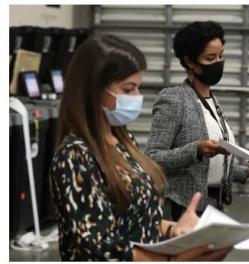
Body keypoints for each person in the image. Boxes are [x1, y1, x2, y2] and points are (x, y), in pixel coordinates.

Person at [49, 34, 232, 261]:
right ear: (94, 90)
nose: (137, 97)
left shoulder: (123, 142)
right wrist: (173, 259)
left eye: (138, 87)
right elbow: (97, 248)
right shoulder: (75, 155)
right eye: (128, 90)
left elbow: (135, 218)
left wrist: (173, 230)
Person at [145, 21, 249, 221]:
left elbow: (210, 166)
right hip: (183, 208)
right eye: (211, 58)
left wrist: (247, 172)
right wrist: (196, 149)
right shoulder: (174, 99)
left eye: (221, 55)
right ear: (190, 62)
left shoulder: (211, 100)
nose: (219, 62)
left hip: (213, 205)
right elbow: (152, 158)